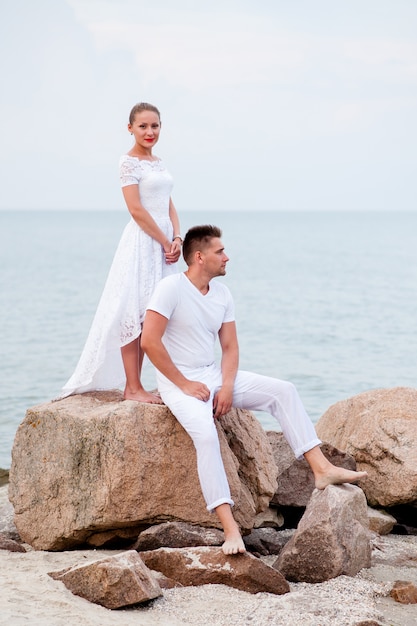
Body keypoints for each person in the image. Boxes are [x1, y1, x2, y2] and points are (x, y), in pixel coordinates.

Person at [140, 225, 368, 555]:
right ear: (200, 257)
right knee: (205, 435)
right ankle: (230, 530)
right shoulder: (171, 288)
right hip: (179, 384)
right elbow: (149, 341)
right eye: (220, 251)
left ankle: (321, 469)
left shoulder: (222, 294)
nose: (227, 256)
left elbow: (230, 347)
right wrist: (185, 384)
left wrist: (227, 386)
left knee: (284, 390)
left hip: (213, 375)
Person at [62, 103, 182, 402]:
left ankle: (141, 384)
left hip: (165, 244)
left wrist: (177, 236)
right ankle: (132, 387)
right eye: (143, 126)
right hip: (143, 243)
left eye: (154, 125)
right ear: (130, 128)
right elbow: (136, 210)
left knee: (152, 314)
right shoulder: (127, 162)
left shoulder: (159, 163)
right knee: (132, 310)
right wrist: (163, 241)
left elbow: (168, 203)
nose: (149, 131)